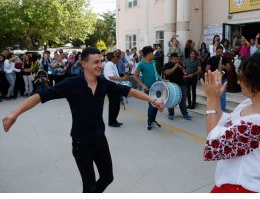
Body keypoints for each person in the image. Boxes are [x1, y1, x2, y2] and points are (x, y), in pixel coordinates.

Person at [2, 47, 163, 193]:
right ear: (84, 64)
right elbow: (40, 96)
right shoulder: (71, 84)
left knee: (108, 177)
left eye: (101, 61)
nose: (100, 65)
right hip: (81, 144)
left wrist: (153, 100)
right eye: (96, 62)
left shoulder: (104, 84)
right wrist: (14, 114)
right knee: (89, 186)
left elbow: (130, 91)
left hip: (100, 140)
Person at [201, 53, 260, 193]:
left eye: (242, 78)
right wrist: (216, 99)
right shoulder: (248, 104)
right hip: (232, 182)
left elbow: (213, 146)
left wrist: (210, 99)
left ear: (256, 83)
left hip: (240, 187)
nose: (239, 82)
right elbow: (223, 122)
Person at [133, 46, 162, 130]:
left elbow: (156, 74)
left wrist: (162, 81)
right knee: (152, 105)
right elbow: (135, 76)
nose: (153, 54)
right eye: (152, 53)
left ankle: (153, 120)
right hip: (148, 88)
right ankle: (149, 122)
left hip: (157, 86)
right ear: (147, 54)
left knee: (156, 104)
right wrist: (142, 85)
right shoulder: (141, 64)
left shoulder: (153, 62)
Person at [163, 52, 192, 120]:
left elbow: (185, 74)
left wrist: (184, 72)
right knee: (171, 100)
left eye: (177, 59)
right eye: (174, 59)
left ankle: (185, 114)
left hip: (182, 85)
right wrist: (175, 67)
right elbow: (167, 73)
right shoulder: (167, 65)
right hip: (171, 85)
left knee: (183, 100)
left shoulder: (180, 64)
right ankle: (171, 114)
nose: (176, 61)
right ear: (170, 59)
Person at [104, 51, 129, 127]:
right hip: (111, 87)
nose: (118, 58)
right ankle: (111, 122)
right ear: (112, 58)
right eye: (117, 57)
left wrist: (122, 79)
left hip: (115, 86)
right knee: (113, 105)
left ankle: (114, 120)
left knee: (116, 105)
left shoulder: (113, 64)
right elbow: (110, 77)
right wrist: (121, 78)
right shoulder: (109, 65)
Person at [206, 46, 230, 111]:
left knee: (222, 96)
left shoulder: (224, 58)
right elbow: (207, 69)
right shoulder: (211, 59)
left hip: (223, 79)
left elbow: (229, 68)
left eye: (221, 52)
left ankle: (222, 111)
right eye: (218, 52)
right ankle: (215, 109)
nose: (220, 53)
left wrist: (223, 66)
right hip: (214, 79)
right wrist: (213, 74)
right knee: (214, 96)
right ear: (215, 52)